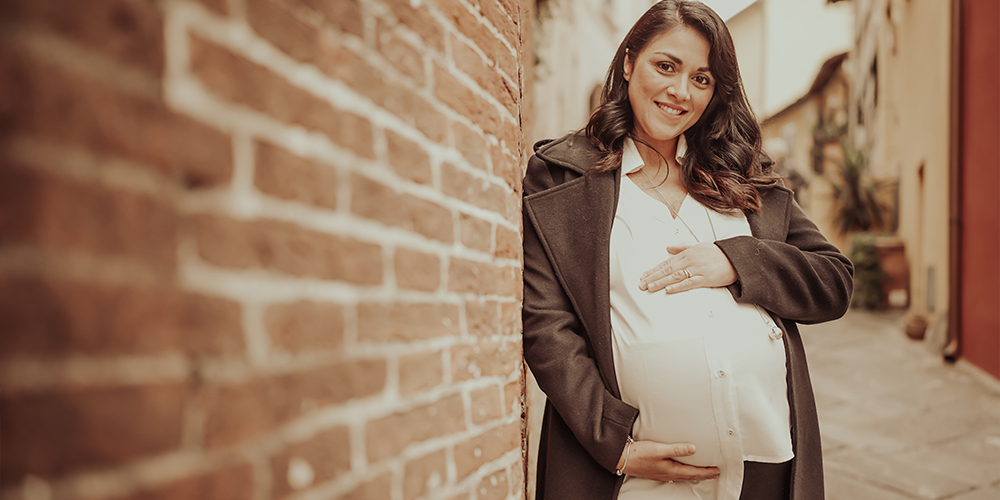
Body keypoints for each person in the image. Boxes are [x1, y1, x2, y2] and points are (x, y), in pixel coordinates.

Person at [521, 2, 854, 500]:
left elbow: (834, 281)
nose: (681, 92)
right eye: (666, 66)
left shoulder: (745, 175)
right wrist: (615, 445)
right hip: (632, 477)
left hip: (764, 464)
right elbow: (547, 324)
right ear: (629, 62)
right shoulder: (563, 177)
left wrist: (737, 260)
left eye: (702, 79)